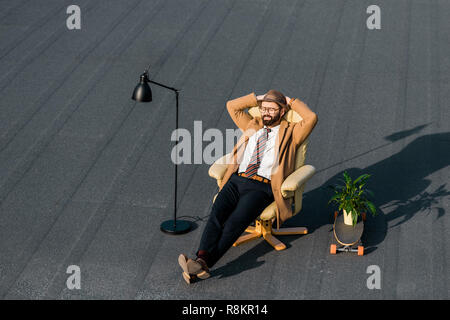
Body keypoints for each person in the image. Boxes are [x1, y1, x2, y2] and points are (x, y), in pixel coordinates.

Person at [178, 90, 318, 284]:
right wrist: (259, 99)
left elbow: (312, 117)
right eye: (264, 109)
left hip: (262, 187)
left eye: (272, 109)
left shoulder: (291, 132)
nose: (266, 112)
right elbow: (231, 106)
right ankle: (201, 262)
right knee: (217, 213)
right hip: (237, 180)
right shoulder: (253, 123)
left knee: (235, 222)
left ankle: (201, 263)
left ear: (282, 111)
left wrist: (290, 101)